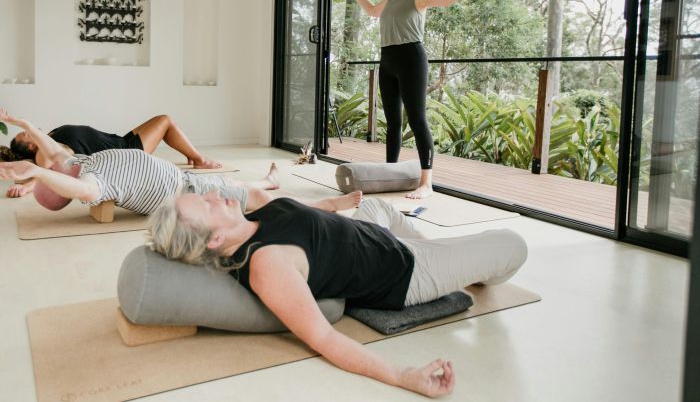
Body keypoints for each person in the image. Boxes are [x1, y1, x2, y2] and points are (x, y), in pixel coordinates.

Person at [148, 192, 527, 397]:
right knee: (512, 244)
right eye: (207, 205)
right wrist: (402, 376)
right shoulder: (267, 265)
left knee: (378, 204)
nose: (214, 194)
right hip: (405, 270)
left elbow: (305, 216)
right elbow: (324, 338)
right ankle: (460, 265)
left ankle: (455, 256)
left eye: (203, 194)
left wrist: (337, 204)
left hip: (375, 232)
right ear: (215, 239)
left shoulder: (254, 219)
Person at [344, 0, 494, 199]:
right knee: (392, 122)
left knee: (417, 119)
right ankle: (390, 173)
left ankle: (427, 182)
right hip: (387, 59)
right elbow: (370, 11)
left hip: (411, 58)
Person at [0, 110, 362, 216]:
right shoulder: (92, 184)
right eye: (53, 170)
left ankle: (267, 182)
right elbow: (65, 179)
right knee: (259, 203)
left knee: (246, 191)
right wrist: (33, 172)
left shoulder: (80, 160)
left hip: (183, 181)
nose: (56, 160)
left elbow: (52, 151)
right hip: (186, 192)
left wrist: (23, 125)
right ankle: (327, 205)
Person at [2, 112, 222, 198]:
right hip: (127, 154)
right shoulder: (45, 152)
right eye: (27, 134)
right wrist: (27, 186)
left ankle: (193, 156)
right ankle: (199, 159)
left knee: (163, 120)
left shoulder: (50, 137)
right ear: (31, 146)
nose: (32, 131)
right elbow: (53, 168)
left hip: (122, 140)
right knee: (165, 121)